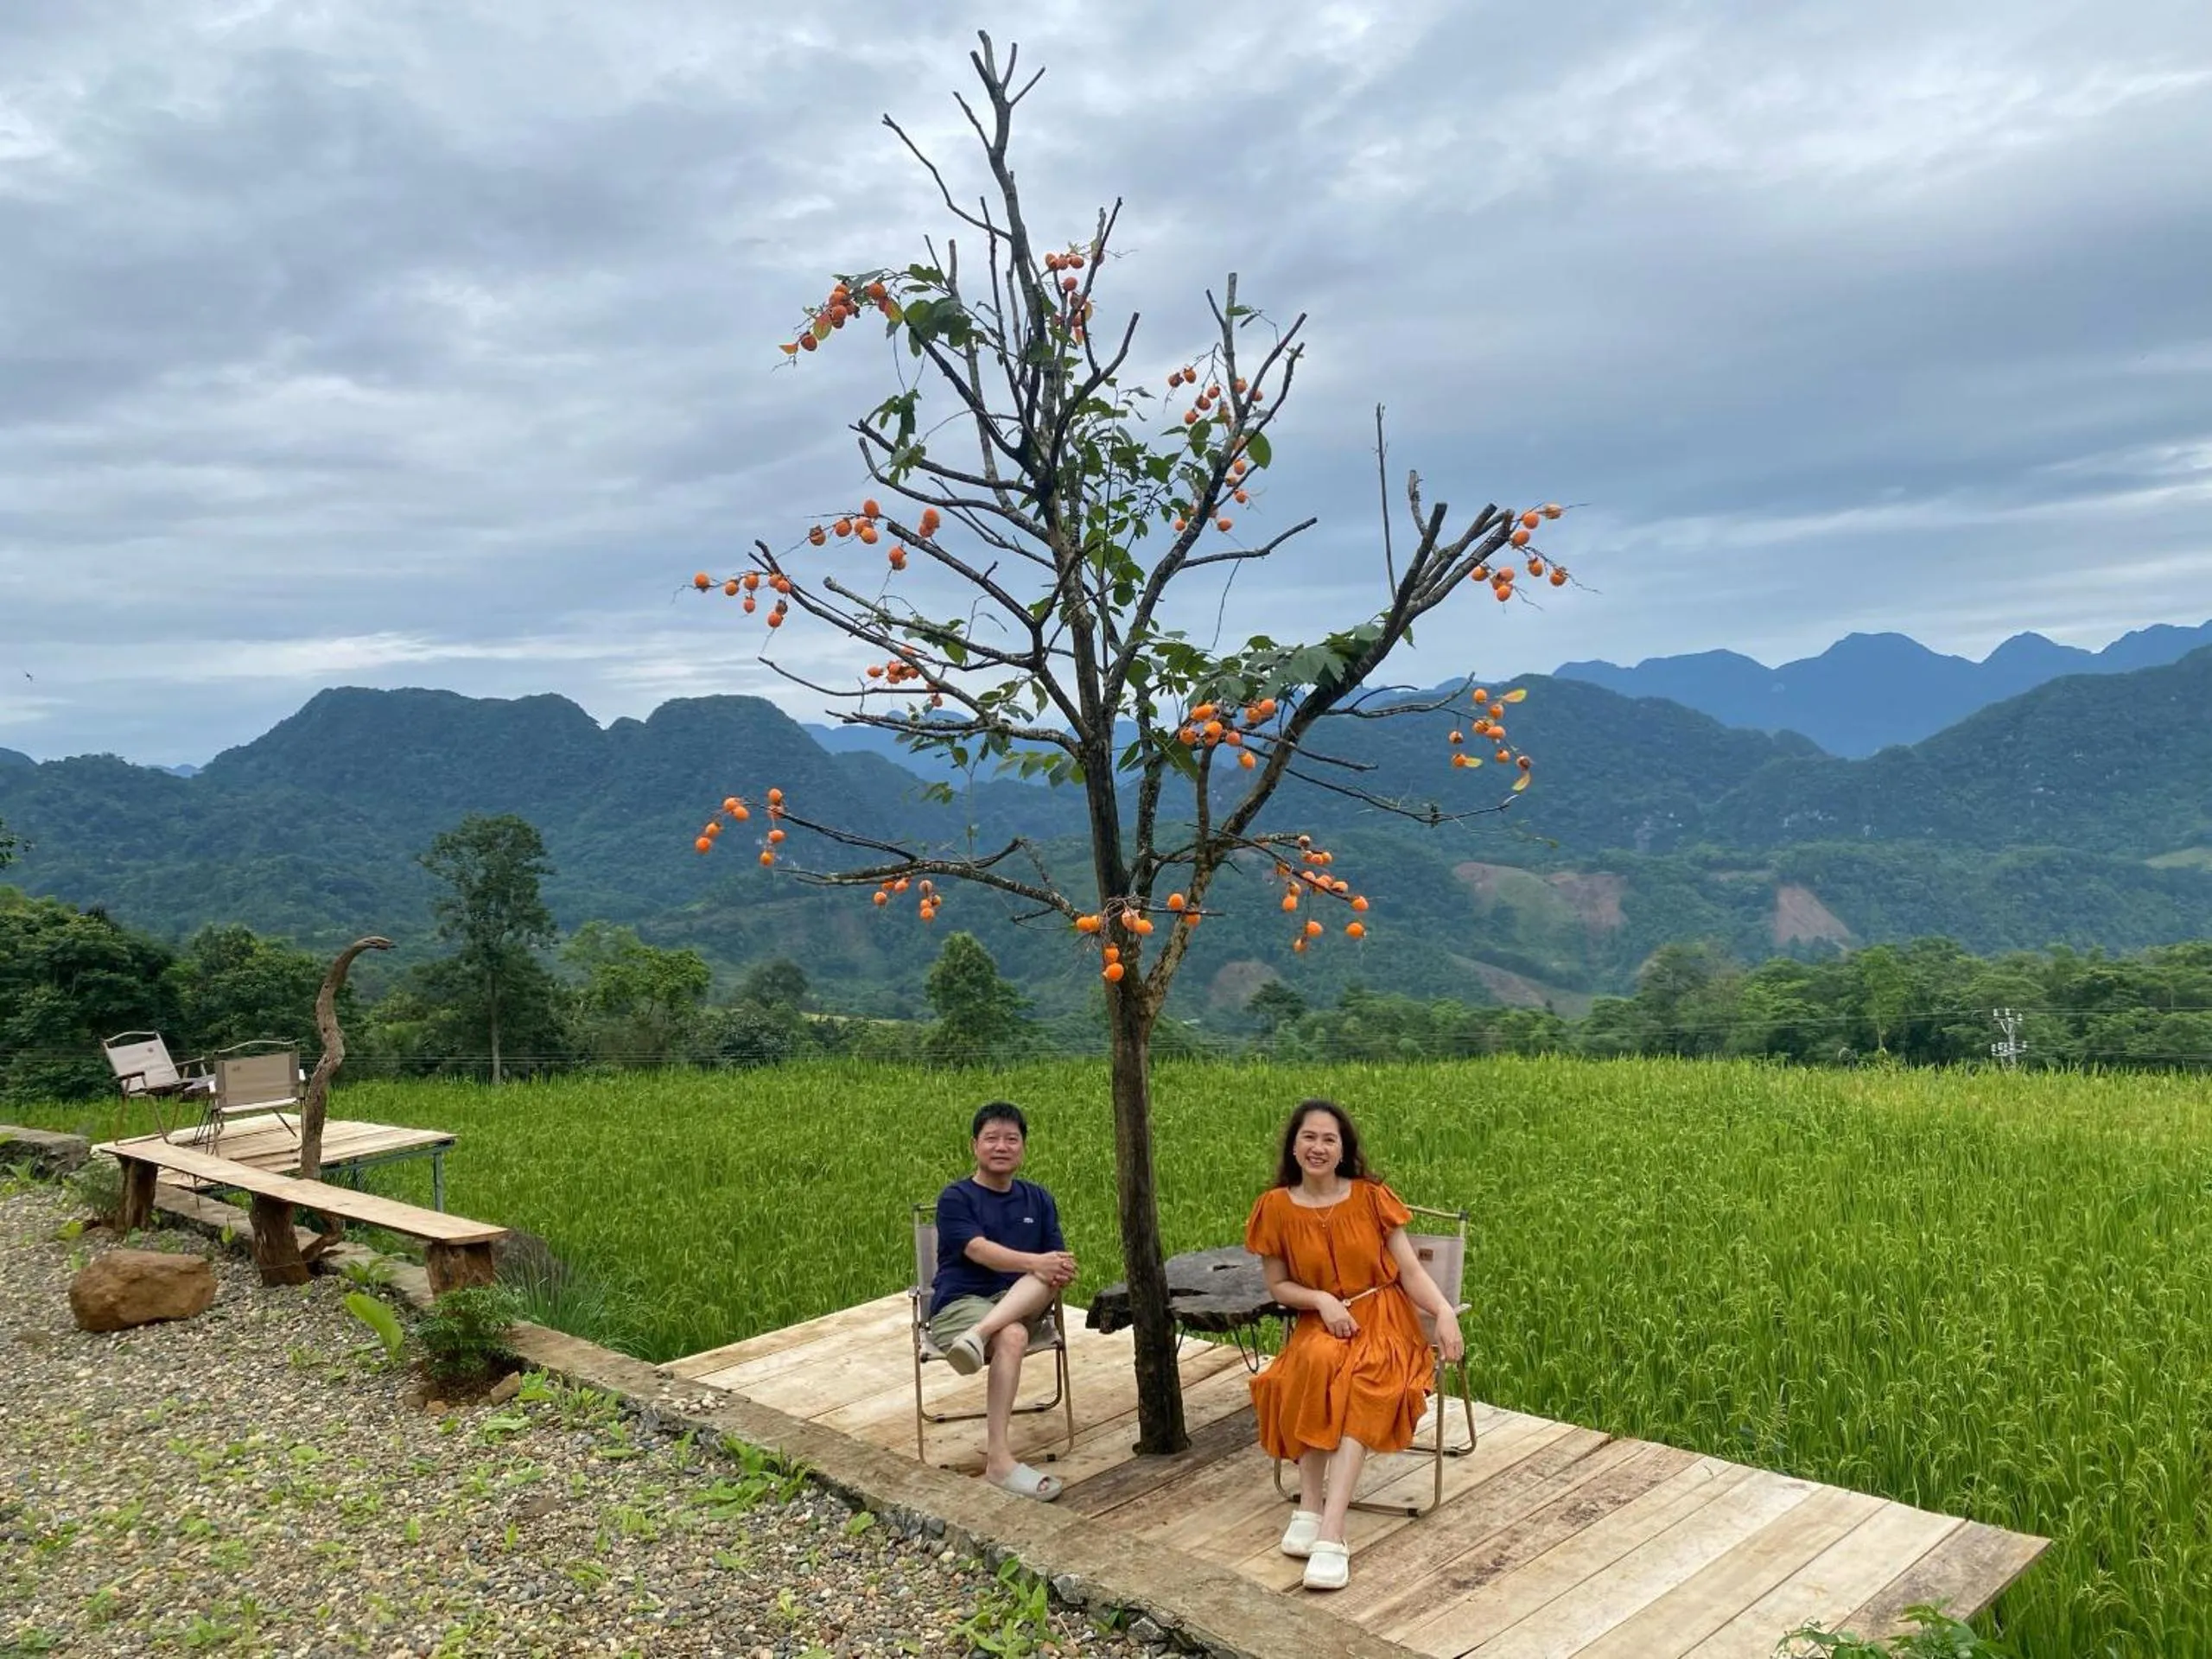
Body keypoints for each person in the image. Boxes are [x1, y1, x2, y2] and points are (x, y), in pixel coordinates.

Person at [1244, 1098, 1465, 1592]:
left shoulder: (1370, 1197)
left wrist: (1445, 1311)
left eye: (1329, 1138)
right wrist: (1322, 1300)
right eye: (1309, 1137)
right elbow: (1278, 1286)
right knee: (1314, 1365)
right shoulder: (1274, 1208)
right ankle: (1308, 1504)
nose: (1318, 1147)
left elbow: (1408, 1271)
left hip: (1383, 1318)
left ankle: (1331, 1531)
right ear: (1293, 1145)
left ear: (1343, 1148)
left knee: (1362, 1385)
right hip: (1321, 1321)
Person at [929, 1100, 1078, 1501]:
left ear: (1023, 1148)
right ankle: (999, 1461)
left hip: (1021, 1300)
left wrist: (1053, 1267)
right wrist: (1038, 1263)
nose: (1001, 1146)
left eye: (1011, 1139)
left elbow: (1056, 1262)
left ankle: (979, 1336)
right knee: (1012, 1334)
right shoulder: (956, 1197)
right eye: (991, 1138)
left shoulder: (1039, 1199)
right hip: (961, 1304)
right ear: (974, 1145)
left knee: (1045, 1276)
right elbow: (976, 1250)